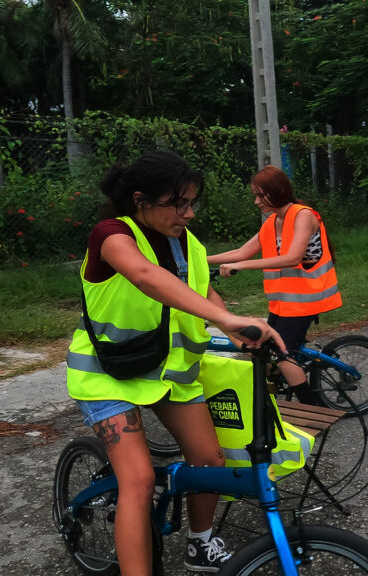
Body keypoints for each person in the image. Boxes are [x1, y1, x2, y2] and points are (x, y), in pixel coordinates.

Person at [66, 151, 284, 575]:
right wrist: (223, 318)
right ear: (141, 199)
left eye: (191, 203)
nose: (188, 214)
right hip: (107, 376)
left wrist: (235, 325)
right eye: (177, 203)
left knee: (209, 460)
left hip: (167, 376)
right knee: (139, 480)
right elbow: (146, 276)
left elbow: (202, 294)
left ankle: (200, 544)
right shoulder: (111, 235)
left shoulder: (187, 242)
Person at [207, 165, 341, 404]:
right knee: (262, 347)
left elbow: (292, 257)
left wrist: (242, 266)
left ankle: (314, 408)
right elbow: (242, 251)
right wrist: (194, 260)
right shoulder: (272, 222)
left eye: (261, 195)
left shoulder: (303, 215)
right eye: (255, 196)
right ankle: (274, 397)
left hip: (306, 298)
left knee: (283, 354)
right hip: (284, 301)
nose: (257, 202)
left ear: (277, 191)